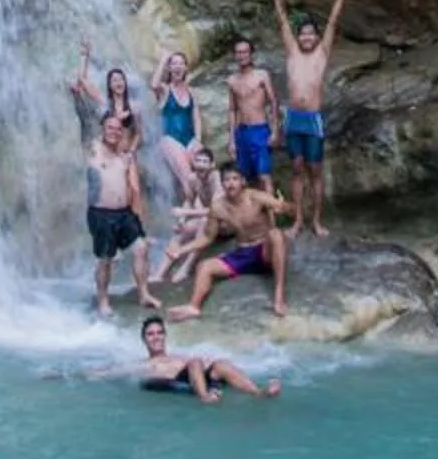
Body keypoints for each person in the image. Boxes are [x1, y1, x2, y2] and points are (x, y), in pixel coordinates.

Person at [274, 0, 347, 237]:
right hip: (294, 119)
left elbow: (332, 23)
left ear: (316, 37)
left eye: (310, 34)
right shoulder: (293, 52)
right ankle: (297, 221)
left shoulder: (321, 53)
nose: (306, 37)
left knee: (315, 170)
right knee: (296, 169)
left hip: (312, 120)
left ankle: (316, 220)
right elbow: (282, 21)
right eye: (302, 33)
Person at [171, 177, 295, 320]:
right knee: (204, 267)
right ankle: (194, 307)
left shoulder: (255, 196)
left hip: (264, 252)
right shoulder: (218, 206)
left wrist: (286, 207)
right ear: (222, 184)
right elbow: (207, 237)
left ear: (242, 182)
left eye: (235, 179)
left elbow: (286, 208)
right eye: (227, 180)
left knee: (276, 234)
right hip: (242, 253)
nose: (231, 183)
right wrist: (181, 250)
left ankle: (279, 298)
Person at [110, 314, 279, 402]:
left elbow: (206, 363)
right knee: (195, 362)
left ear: (165, 335)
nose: (156, 337)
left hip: (198, 376)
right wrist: (97, 374)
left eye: (160, 333)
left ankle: (259, 393)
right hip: (180, 380)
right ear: (144, 339)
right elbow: (117, 371)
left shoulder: (178, 355)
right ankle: (205, 398)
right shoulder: (143, 364)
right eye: (151, 334)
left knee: (221, 364)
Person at [82, 112, 154, 316]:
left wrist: (139, 217)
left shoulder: (125, 156)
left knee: (141, 248)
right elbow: (84, 124)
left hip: (124, 213)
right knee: (106, 258)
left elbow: (134, 189)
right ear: (102, 129)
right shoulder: (93, 149)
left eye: (118, 129)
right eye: (110, 127)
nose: (114, 132)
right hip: (101, 214)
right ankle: (103, 300)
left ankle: (144, 294)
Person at [153, 145, 223, 287]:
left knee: (204, 220)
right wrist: (181, 220)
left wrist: (185, 213)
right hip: (210, 221)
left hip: (225, 222)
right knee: (182, 229)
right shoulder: (192, 179)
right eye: (198, 161)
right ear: (193, 163)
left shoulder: (216, 178)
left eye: (205, 162)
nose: (201, 165)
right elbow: (189, 201)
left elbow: (216, 210)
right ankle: (160, 273)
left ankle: (186, 267)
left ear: (212, 165)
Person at [147, 48, 204, 199]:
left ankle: (193, 207)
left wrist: (198, 139)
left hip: (190, 139)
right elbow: (153, 85)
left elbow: (196, 117)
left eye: (181, 63)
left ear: (186, 68)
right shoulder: (165, 90)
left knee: (204, 173)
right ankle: (194, 209)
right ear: (169, 68)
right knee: (188, 177)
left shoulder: (191, 92)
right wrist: (163, 59)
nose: (178, 67)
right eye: (174, 63)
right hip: (171, 139)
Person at [223, 35, 277, 190]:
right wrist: (232, 140)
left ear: (251, 54)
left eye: (245, 52)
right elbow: (232, 110)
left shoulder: (262, 75)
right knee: (244, 177)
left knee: (264, 175)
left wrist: (275, 131)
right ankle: (252, 206)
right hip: (242, 132)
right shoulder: (232, 80)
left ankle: (271, 205)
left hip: (260, 130)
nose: (242, 55)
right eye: (238, 52)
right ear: (235, 55)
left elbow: (273, 102)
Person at [70, 42, 142, 153]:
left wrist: (131, 152)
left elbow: (138, 134)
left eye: (121, 79)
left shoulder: (134, 106)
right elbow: (82, 80)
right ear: (110, 85)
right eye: (115, 80)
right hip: (107, 153)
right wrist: (84, 56)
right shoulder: (104, 102)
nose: (119, 83)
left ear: (125, 83)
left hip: (125, 153)